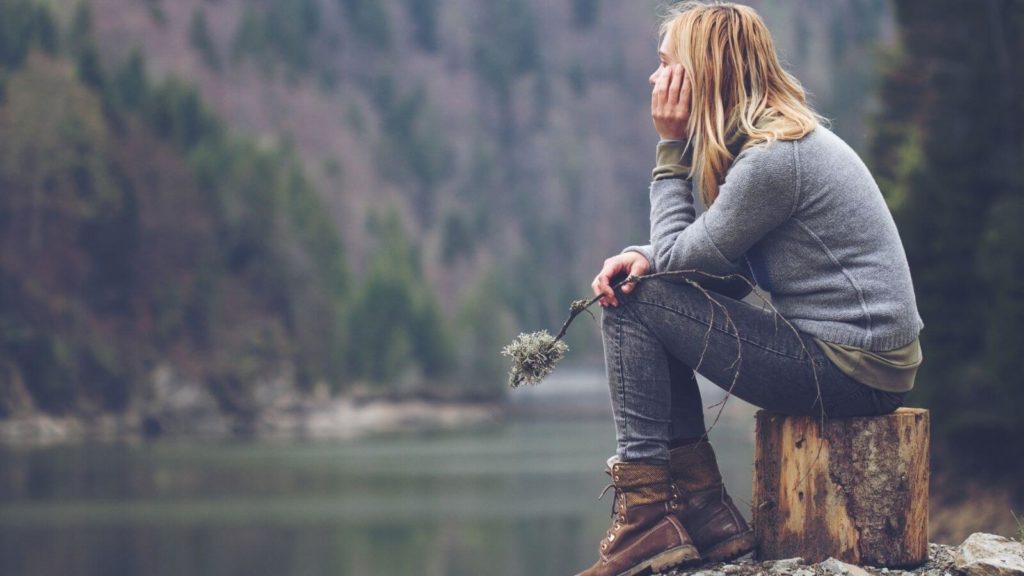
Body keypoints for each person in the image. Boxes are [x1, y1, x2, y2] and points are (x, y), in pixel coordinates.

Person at [578, 2, 924, 575]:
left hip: (853, 369)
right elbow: (721, 275)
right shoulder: (771, 148)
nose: (653, 78)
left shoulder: (774, 160)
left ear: (700, 75)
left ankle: (647, 517)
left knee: (634, 298)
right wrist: (649, 255)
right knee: (643, 289)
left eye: (665, 65)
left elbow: (674, 276)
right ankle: (704, 515)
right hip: (857, 362)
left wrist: (671, 149)